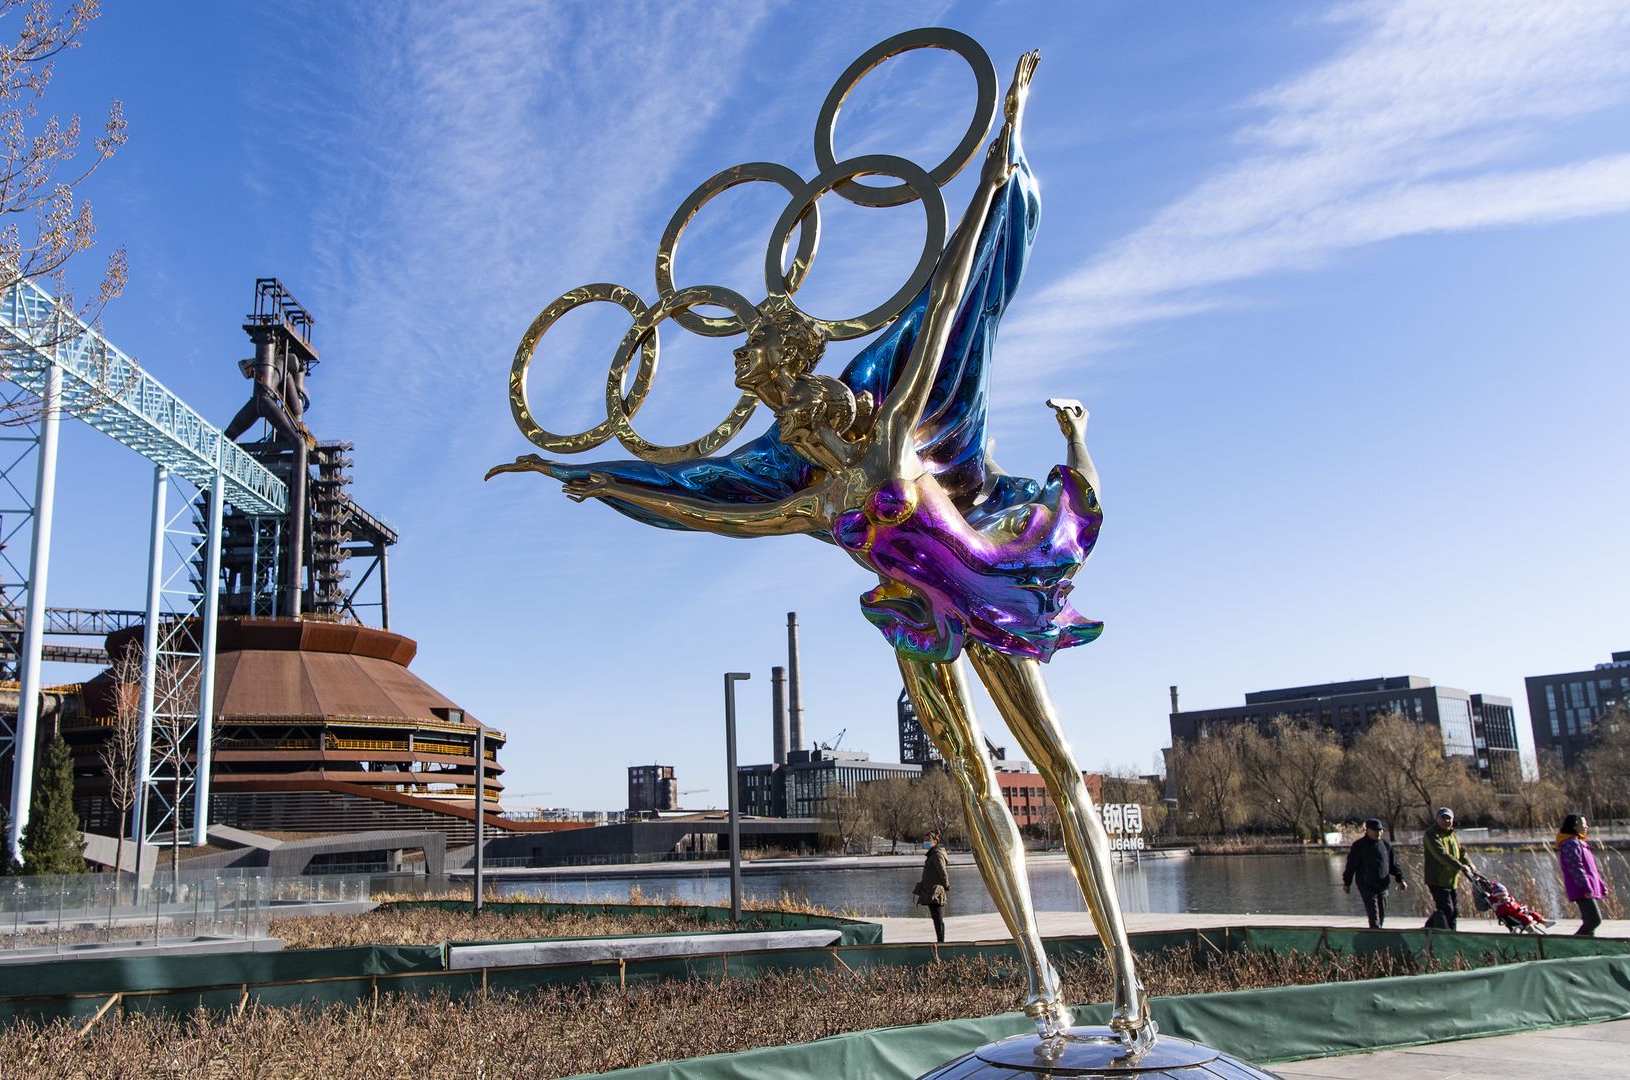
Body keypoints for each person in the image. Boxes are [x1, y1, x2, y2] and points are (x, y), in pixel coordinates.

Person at [490, 52, 1157, 1054]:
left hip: (982, 585)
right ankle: (1039, 980)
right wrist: (592, 480)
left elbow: (951, 300)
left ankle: (1128, 985)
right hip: (915, 622)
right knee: (977, 786)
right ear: (789, 420)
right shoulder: (807, 493)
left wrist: (996, 163)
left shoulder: (897, 425)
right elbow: (706, 509)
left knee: (1060, 773)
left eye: (822, 395)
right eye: (800, 408)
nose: (819, 408)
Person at [1342, 818, 1406, 928]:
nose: (1379, 833)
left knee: (1381, 916)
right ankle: (1375, 940)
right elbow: (1351, 866)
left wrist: (1400, 880)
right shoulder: (1359, 846)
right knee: (1374, 918)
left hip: (1383, 886)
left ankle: (1377, 939)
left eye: (1380, 830)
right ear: (1367, 830)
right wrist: (1347, 883)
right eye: (1375, 830)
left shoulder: (1386, 845)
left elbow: (1393, 865)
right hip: (1366, 886)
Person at [1421, 806, 1473, 930]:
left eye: (1449, 818)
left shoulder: (1451, 834)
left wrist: (1469, 863)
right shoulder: (1431, 834)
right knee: (1446, 909)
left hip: (1451, 880)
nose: (1446, 821)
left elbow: (1461, 852)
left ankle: (1452, 936)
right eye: (1443, 818)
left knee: (1454, 912)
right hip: (1437, 879)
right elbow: (1440, 855)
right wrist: (1460, 866)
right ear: (1437, 819)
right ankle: (1427, 929)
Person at [1557, 813, 1607, 936]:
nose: (1587, 827)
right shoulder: (1570, 844)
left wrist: (1600, 885)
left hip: (1589, 887)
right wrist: (1585, 887)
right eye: (1584, 824)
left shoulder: (1580, 843)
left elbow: (1591, 869)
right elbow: (1575, 868)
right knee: (1594, 920)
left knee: (1589, 921)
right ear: (1575, 826)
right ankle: (1573, 943)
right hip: (1582, 889)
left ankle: (1589, 946)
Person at [915, 830, 951, 943]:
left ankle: (941, 941)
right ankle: (940, 939)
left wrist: (946, 885)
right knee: (935, 917)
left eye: (928, 841)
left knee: (938, 917)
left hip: (936, 891)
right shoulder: (932, 854)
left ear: (935, 842)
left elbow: (942, 871)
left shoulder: (937, 855)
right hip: (931, 890)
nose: (926, 842)